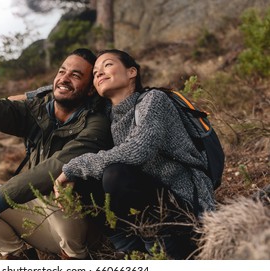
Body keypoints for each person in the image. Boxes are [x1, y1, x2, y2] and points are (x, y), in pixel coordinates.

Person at [0, 29, 113, 259]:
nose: (64, 78)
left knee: (61, 189)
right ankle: (21, 260)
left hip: (79, 227)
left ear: (90, 88)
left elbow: (58, 165)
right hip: (37, 217)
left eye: (75, 75)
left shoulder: (96, 123)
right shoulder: (37, 109)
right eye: (62, 71)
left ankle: (75, 261)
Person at [55, 49, 215, 259]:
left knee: (114, 175)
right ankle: (129, 249)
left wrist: (72, 168)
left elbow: (137, 150)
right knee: (85, 182)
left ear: (132, 72)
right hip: (151, 199)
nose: (99, 73)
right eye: (94, 73)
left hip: (184, 204)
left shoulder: (153, 100)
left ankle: (163, 247)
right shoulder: (108, 115)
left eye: (108, 65)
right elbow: (63, 94)